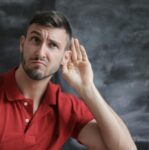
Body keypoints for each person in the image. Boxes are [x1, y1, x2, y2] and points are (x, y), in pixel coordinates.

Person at [0, 10, 137, 150]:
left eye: (52, 45)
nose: (41, 53)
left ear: (64, 57)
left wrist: (87, 88)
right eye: (36, 40)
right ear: (22, 44)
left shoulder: (66, 106)